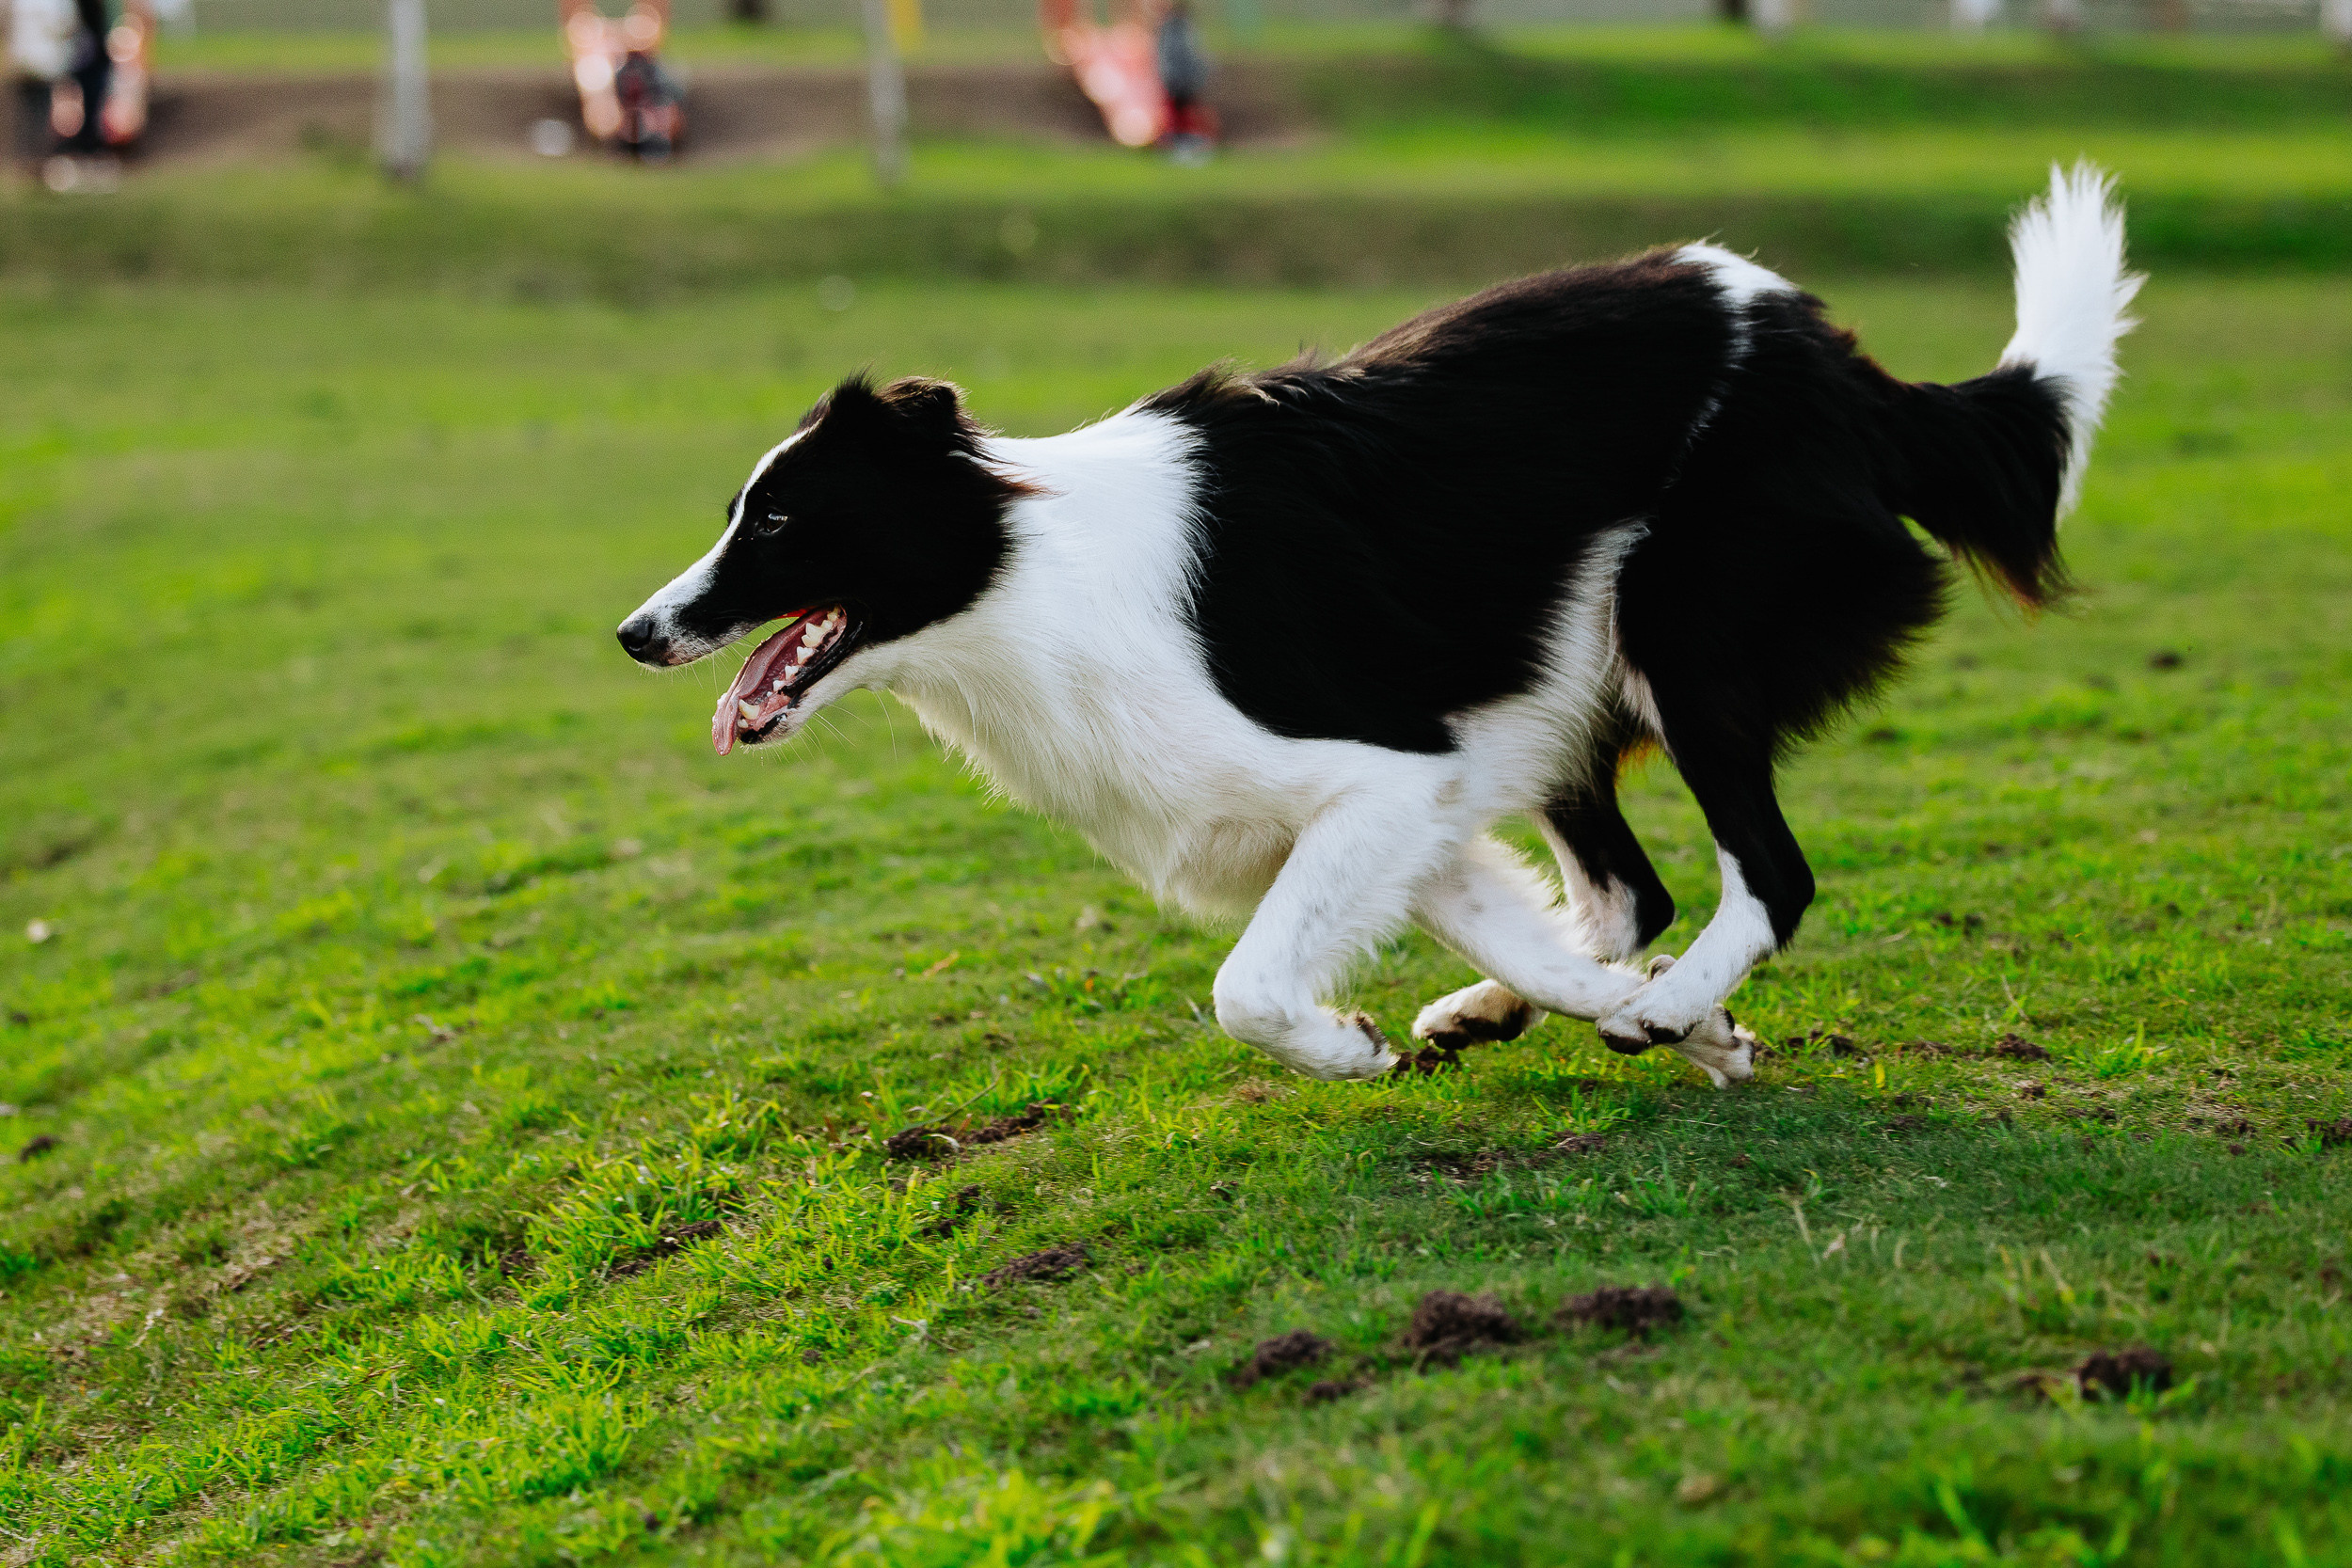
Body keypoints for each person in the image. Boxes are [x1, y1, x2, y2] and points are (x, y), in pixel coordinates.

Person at [1154, 0, 1214, 165]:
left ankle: (1188, 147)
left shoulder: (1181, 30)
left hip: (1183, 82)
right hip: (1177, 82)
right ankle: (1179, 148)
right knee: (1178, 117)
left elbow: (1194, 56)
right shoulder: (1174, 30)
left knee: (1187, 116)